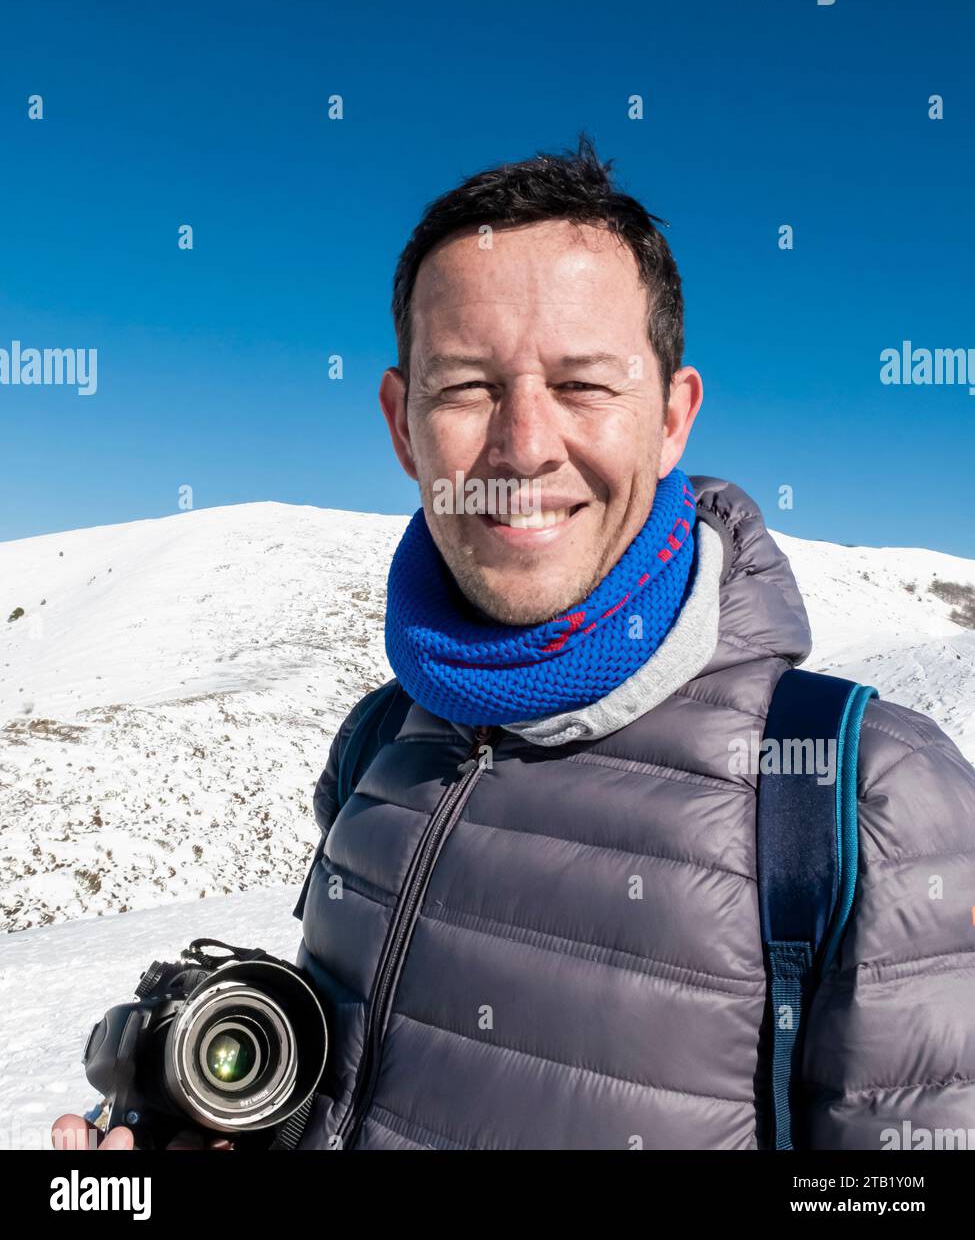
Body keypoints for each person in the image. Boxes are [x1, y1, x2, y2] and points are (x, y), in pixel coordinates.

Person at [55, 136, 975, 1153]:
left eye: (583, 384)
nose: (524, 445)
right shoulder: (382, 740)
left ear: (671, 420)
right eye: (466, 388)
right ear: (404, 427)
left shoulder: (866, 801)